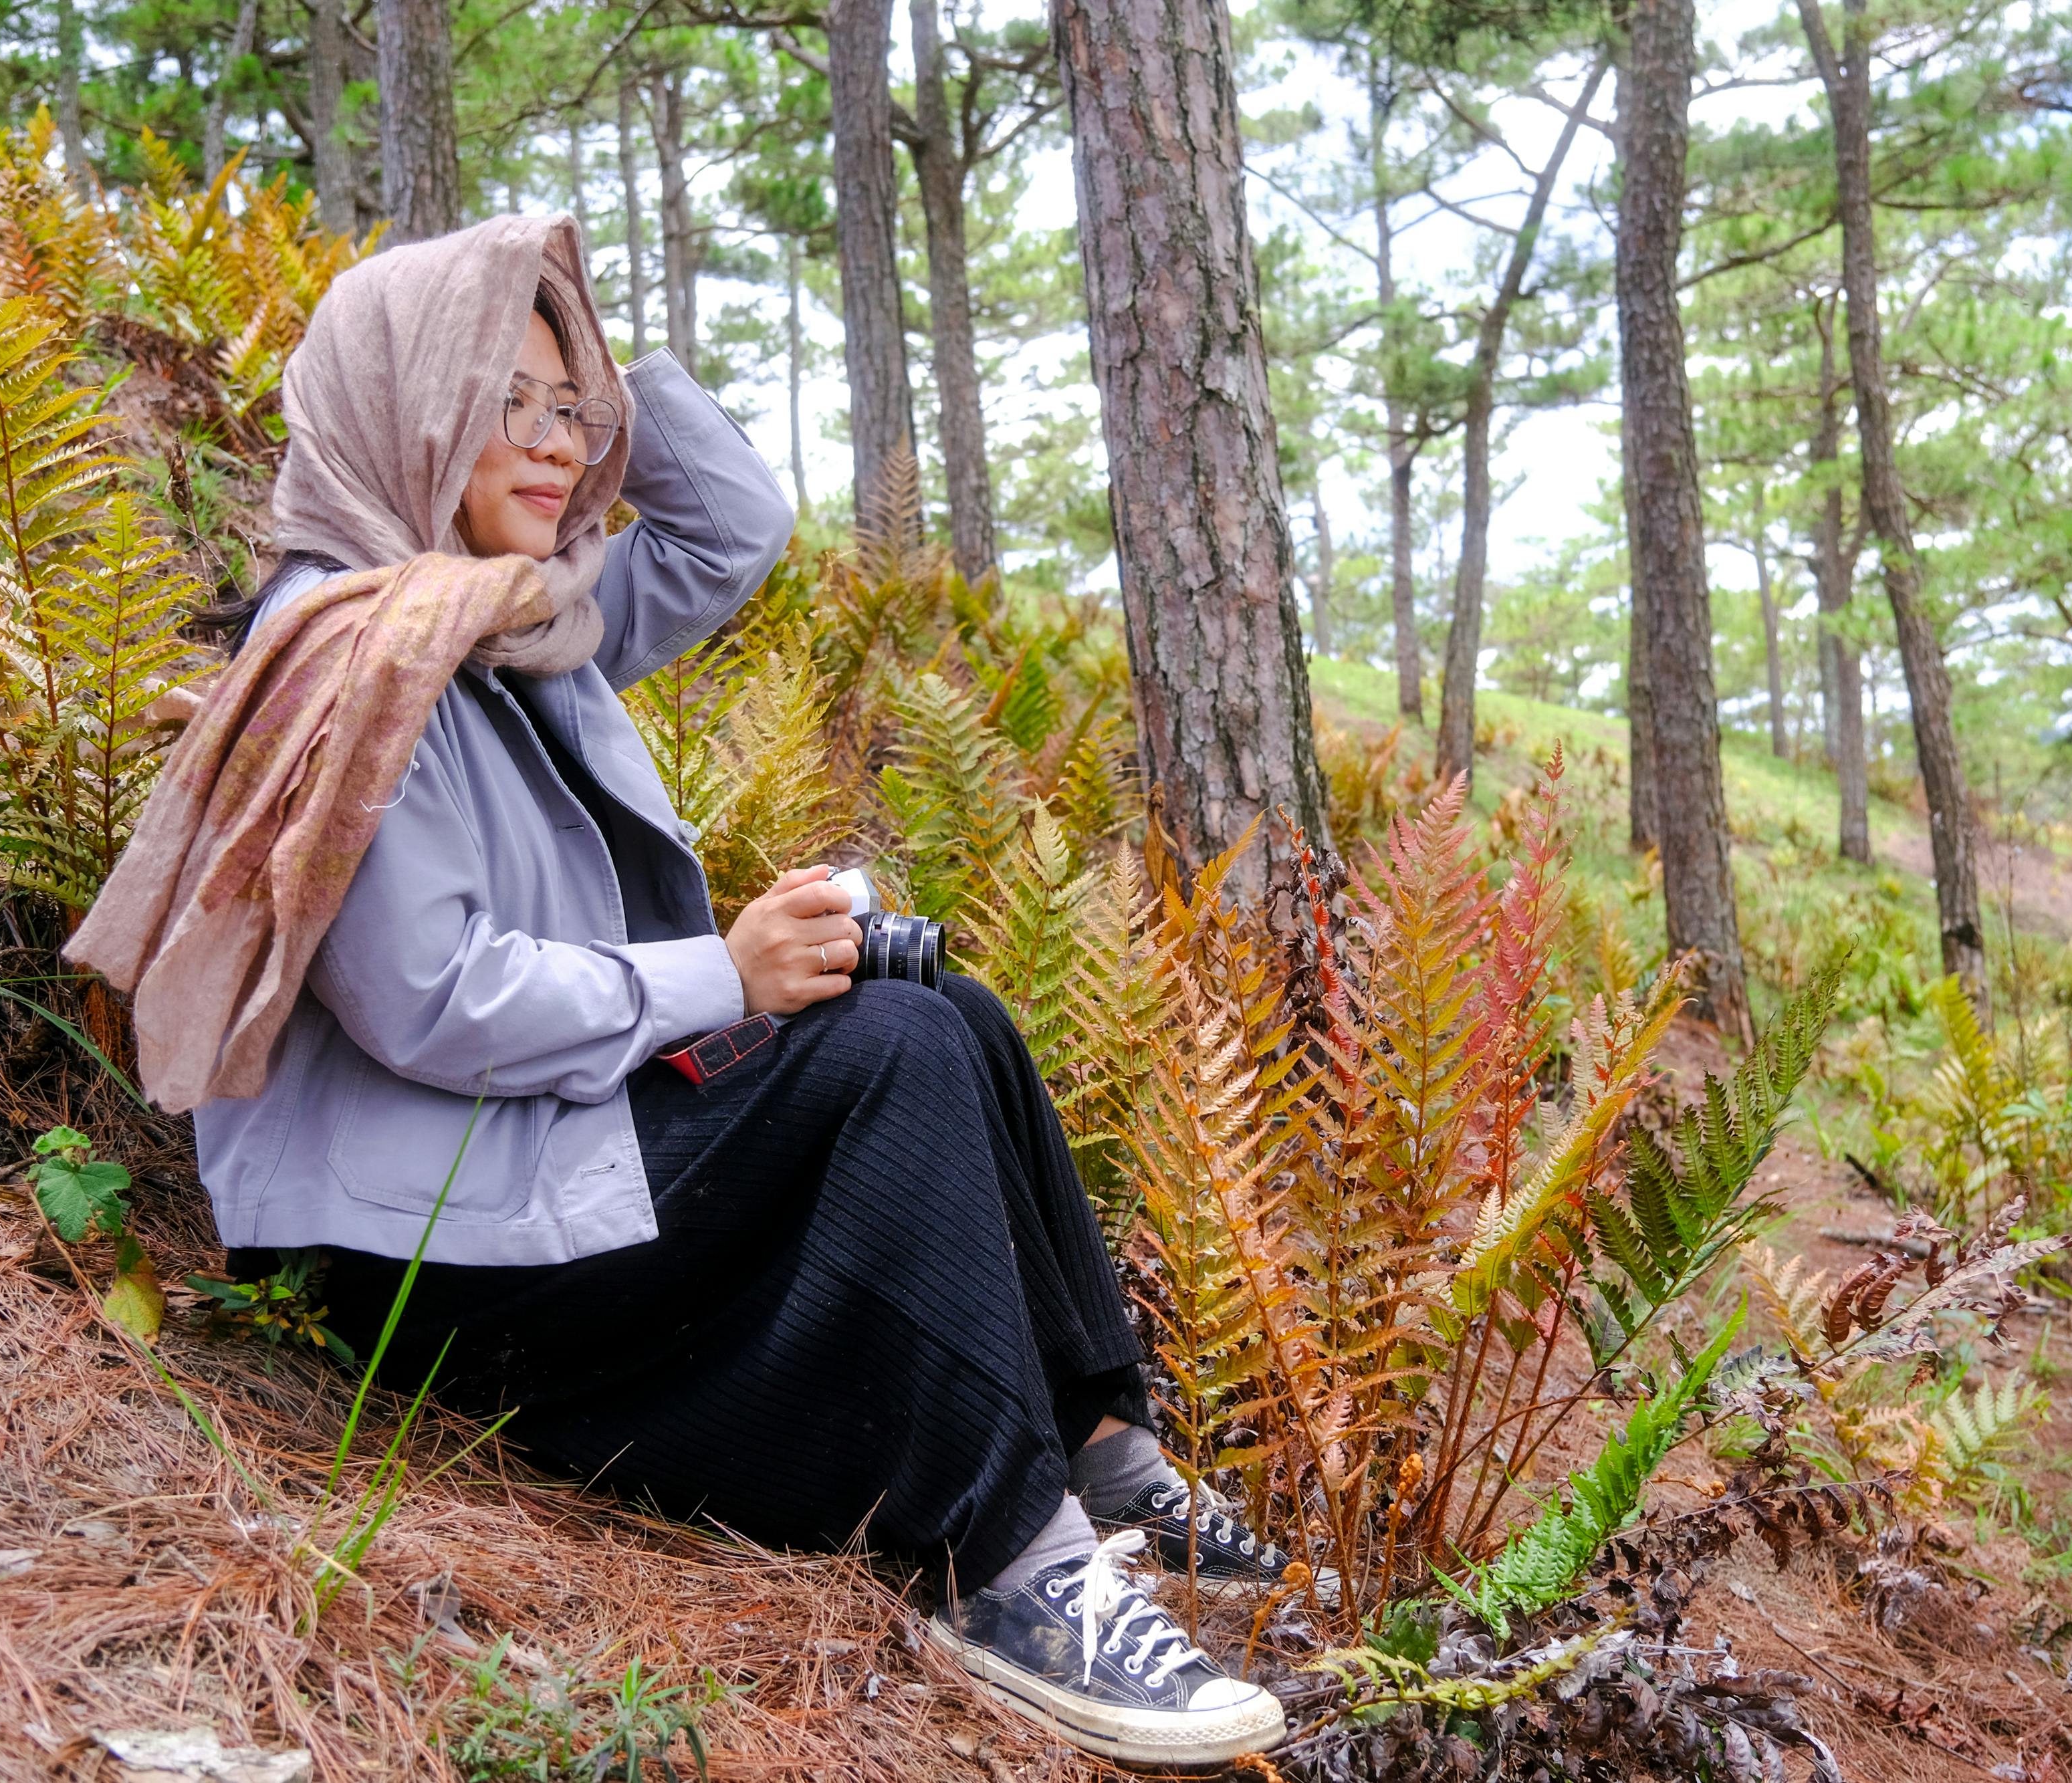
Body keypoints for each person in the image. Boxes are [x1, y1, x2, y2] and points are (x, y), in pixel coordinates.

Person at [67, 215, 1290, 1768]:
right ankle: (1012, 1568)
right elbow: (424, 1000)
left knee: (952, 1012)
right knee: (892, 1044)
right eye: (500, 394)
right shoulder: (347, 658)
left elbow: (730, 533)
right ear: (406, 398)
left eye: (567, 410)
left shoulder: (509, 620)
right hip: (430, 1238)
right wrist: (724, 971)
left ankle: (1102, 1449)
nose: (553, 443)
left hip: (538, 1144)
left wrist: (596, 346)